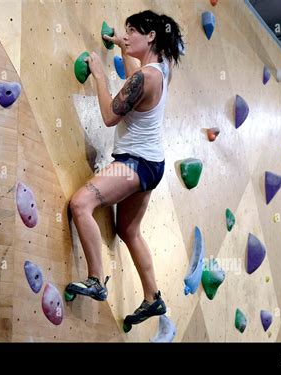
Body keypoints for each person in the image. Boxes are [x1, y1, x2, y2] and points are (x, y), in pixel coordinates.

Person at [66, 10, 184, 329]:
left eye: (133, 31)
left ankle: (95, 280)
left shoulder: (145, 77)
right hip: (152, 164)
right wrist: (122, 46)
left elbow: (108, 116)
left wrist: (100, 77)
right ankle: (152, 296)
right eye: (126, 30)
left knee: (81, 204)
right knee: (128, 230)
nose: (126, 34)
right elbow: (137, 74)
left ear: (151, 37)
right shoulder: (158, 70)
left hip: (134, 164)